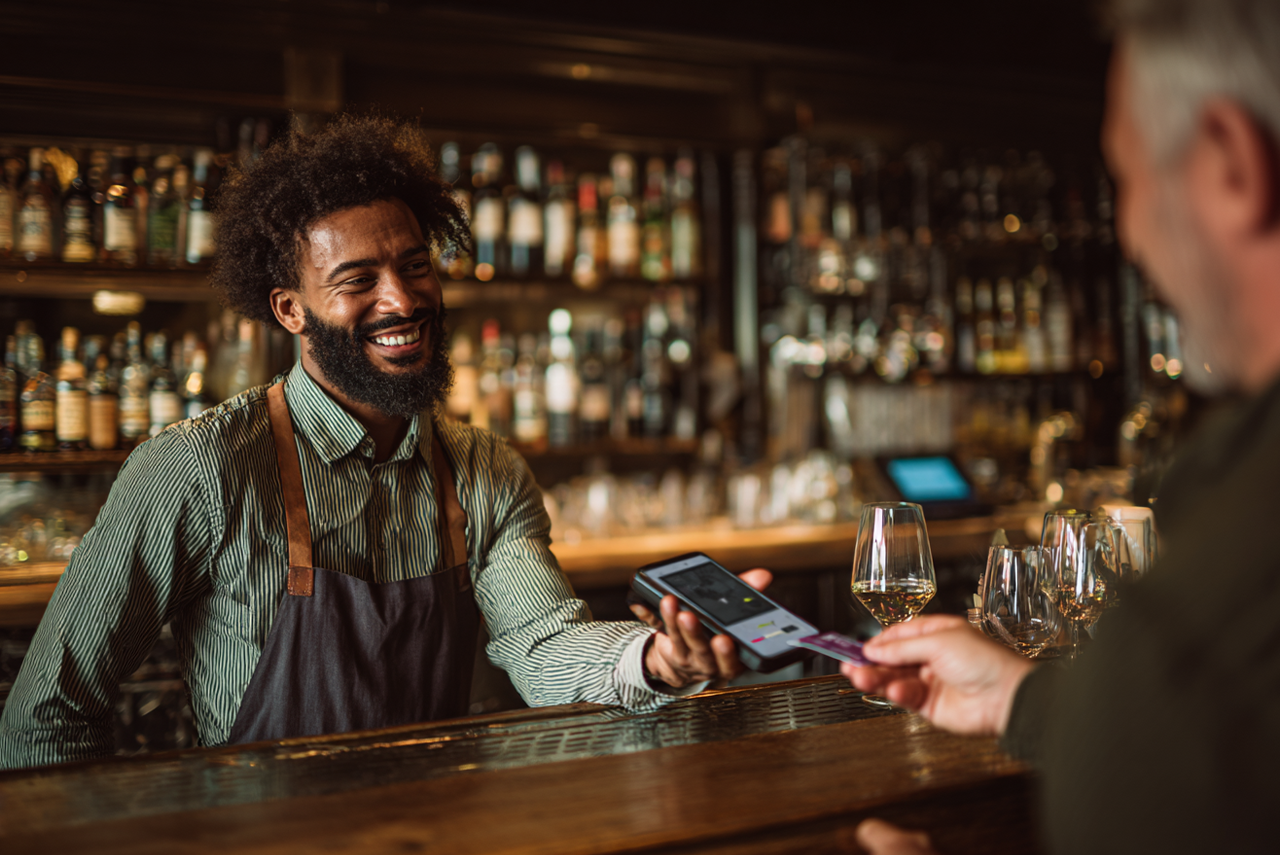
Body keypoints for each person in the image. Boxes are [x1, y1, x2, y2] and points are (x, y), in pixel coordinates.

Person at [0, 116, 767, 769]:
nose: (400, 298)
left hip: (434, 830)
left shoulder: (484, 470)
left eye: (414, 265)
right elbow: (50, 712)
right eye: (357, 279)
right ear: (291, 309)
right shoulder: (198, 468)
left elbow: (540, 642)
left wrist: (656, 663)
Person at [844, 1, 1280, 852]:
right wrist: (1022, 698)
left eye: (1129, 179)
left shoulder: (1221, 578)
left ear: (1231, 164)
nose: (1131, 235)